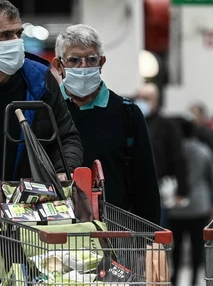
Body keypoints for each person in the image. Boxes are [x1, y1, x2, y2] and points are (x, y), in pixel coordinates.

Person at [52, 24, 160, 224]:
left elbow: (145, 182)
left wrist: (150, 239)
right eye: (74, 60)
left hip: (116, 231)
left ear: (101, 62)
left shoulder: (127, 113)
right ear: (59, 66)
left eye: (91, 59)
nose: (84, 67)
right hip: (58, 230)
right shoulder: (45, 112)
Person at [0, 0, 83, 182]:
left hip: (27, 202)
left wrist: (64, 170)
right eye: (5, 35)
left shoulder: (39, 79)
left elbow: (67, 137)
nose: (16, 42)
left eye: (18, 33)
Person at [168, 118, 213, 286]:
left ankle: (174, 278)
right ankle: (194, 281)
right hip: (200, 205)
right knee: (198, 244)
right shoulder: (204, 151)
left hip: (177, 205)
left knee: (177, 244)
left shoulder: (175, 150)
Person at [134, 82, 189, 227]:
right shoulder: (132, 123)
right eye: (138, 97)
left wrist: (182, 190)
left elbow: (178, 158)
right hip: (134, 189)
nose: (141, 101)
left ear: (155, 100)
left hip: (159, 189)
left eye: (145, 98)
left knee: (157, 234)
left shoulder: (167, 125)